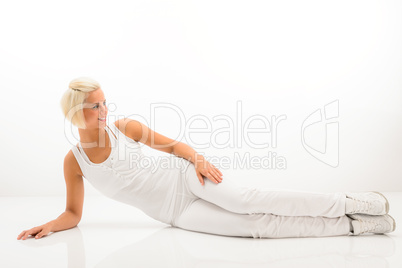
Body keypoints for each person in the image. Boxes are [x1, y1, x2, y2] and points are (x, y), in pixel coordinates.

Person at [17, 77, 396, 240]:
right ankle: (350, 226)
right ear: (75, 112)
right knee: (254, 228)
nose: (103, 110)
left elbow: (172, 146)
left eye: (104, 102)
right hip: (175, 213)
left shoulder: (124, 126)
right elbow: (73, 214)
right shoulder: (74, 161)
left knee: (245, 201)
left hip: (185, 178)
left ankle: (348, 202)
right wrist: (50, 225)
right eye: (93, 106)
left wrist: (196, 160)